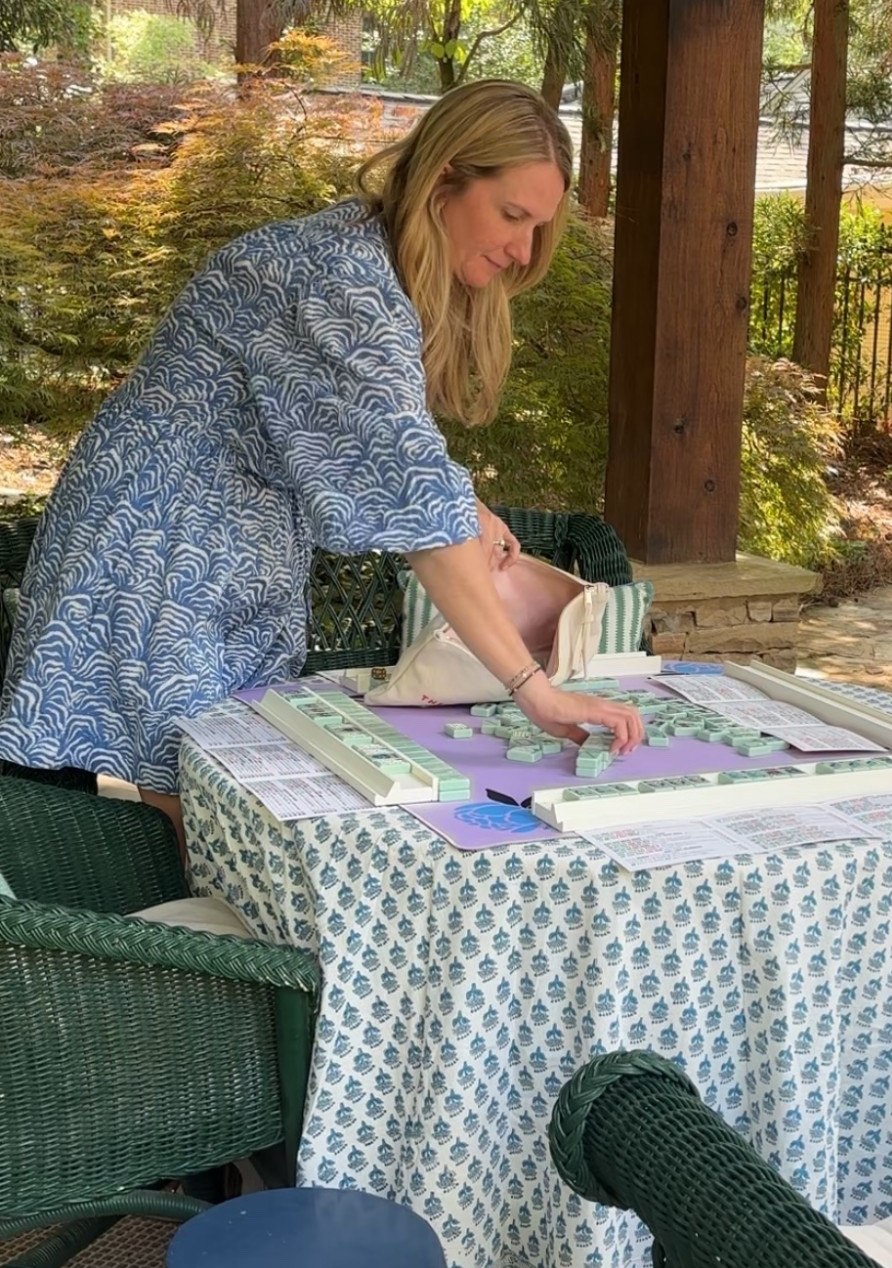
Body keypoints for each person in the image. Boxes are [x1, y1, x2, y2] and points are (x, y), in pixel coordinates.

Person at [0, 79, 643, 839]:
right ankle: (178, 954)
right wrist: (534, 689)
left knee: (216, 809)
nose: (523, 250)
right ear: (443, 181)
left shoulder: (363, 260)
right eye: (511, 216)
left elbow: (370, 444)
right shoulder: (342, 279)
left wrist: (461, 506)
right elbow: (414, 508)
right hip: (155, 557)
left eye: (538, 226)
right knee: (209, 821)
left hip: (218, 551)